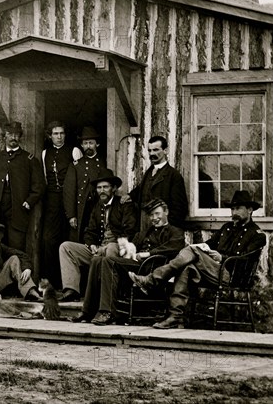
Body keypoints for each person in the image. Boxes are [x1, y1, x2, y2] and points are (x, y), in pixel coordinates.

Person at [129, 190, 266, 329]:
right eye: (232, 209)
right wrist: (204, 247)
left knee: (191, 250)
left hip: (232, 275)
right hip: (213, 271)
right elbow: (209, 244)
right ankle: (175, 317)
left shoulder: (257, 234)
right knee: (186, 268)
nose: (234, 212)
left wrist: (222, 257)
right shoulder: (227, 228)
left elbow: (246, 260)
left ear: (249, 210)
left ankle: (152, 280)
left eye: (238, 208)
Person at [71, 198, 185, 325]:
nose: (154, 218)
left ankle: (108, 312)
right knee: (97, 260)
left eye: (157, 214)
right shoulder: (145, 232)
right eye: (151, 215)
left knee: (109, 261)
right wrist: (127, 249)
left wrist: (148, 254)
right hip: (136, 265)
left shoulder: (175, 231)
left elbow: (173, 248)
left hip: (153, 269)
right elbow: (132, 247)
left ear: (166, 212)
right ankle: (87, 311)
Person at [58, 168, 137, 302]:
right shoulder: (97, 207)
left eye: (105, 187)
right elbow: (90, 231)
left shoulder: (123, 204)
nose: (102, 190)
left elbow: (129, 231)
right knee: (66, 247)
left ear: (114, 188)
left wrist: (108, 247)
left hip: (119, 249)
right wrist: (91, 244)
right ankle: (71, 290)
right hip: (99, 249)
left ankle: (109, 296)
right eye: (99, 188)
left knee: (111, 248)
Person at [0, 121, 45, 251]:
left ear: (20, 137)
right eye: (10, 134)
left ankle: (15, 271)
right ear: (5, 136)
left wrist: (28, 202)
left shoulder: (29, 160)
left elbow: (39, 186)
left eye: (16, 135)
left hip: (17, 211)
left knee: (16, 247)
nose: (13, 137)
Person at [40, 121, 83, 288]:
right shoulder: (45, 153)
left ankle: (70, 284)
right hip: (51, 200)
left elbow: (79, 179)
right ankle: (51, 282)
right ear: (50, 136)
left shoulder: (74, 151)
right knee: (48, 240)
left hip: (69, 199)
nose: (59, 137)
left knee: (69, 239)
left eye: (61, 133)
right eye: (55, 134)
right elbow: (45, 178)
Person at [123, 135, 188, 231]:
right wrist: (130, 196)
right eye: (150, 150)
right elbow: (143, 189)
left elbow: (179, 207)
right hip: (144, 226)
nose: (152, 153)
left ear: (165, 151)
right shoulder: (149, 172)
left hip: (162, 228)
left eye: (156, 150)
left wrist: (167, 227)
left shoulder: (173, 175)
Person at [63, 126, 106, 242]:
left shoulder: (104, 163)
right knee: (80, 239)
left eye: (91, 143)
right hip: (82, 208)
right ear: (81, 145)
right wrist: (71, 215)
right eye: (85, 143)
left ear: (97, 144)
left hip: (98, 206)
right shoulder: (76, 166)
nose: (88, 146)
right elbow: (69, 191)